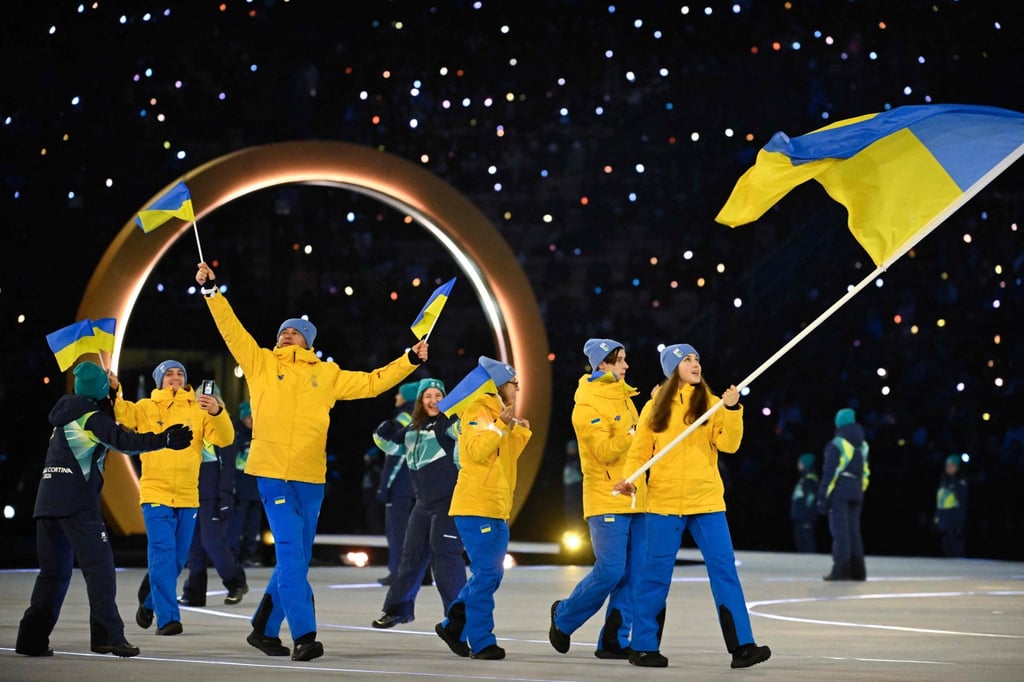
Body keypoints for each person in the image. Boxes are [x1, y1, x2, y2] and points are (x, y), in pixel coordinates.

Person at [196, 261, 428, 662]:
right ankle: (304, 635)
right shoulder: (261, 362)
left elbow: (373, 383)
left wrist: (409, 359)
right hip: (271, 473)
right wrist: (212, 292)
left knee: (297, 560)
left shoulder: (329, 374)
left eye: (294, 331)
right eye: (282, 331)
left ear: (306, 340)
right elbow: (231, 330)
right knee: (289, 554)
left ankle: (263, 629)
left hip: (310, 478)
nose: (286, 334)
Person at [16, 362, 193, 658]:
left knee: (52, 575)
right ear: (99, 391)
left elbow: (113, 429)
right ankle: (107, 638)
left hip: (46, 504)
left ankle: (30, 640)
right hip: (77, 505)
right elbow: (124, 440)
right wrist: (163, 439)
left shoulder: (64, 416)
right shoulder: (91, 417)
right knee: (100, 572)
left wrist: (113, 395)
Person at [613, 343, 771, 669]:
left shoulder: (712, 404)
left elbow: (730, 444)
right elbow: (639, 454)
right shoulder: (655, 408)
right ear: (673, 369)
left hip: (707, 502)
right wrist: (630, 479)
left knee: (724, 570)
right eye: (687, 360)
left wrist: (731, 409)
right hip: (664, 503)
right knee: (655, 576)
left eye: (697, 358)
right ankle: (644, 647)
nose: (695, 364)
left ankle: (743, 646)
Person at [110, 360, 235, 636]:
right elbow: (120, 412)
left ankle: (150, 601)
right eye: (169, 374)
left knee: (178, 559)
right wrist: (115, 389)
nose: (175, 378)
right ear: (159, 381)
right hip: (155, 493)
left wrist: (217, 411)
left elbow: (225, 439)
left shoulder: (199, 408)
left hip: (189, 496)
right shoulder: (145, 408)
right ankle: (167, 619)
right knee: (164, 554)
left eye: (179, 373)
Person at [549, 338, 646, 660]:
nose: (626, 366)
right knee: (611, 570)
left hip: (639, 498)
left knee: (633, 574)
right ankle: (564, 615)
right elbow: (604, 451)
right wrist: (636, 434)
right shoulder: (586, 404)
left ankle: (614, 640)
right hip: (606, 496)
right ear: (602, 364)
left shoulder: (627, 398)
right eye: (620, 360)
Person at [435, 356, 531, 661]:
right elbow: (475, 452)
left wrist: (518, 432)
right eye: (514, 382)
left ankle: (454, 624)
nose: (517, 387)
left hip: (497, 506)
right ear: (500, 385)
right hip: (475, 505)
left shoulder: (498, 416)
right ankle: (482, 641)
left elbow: (505, 460)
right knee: (487, 572)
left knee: (492, 576)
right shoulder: (476, 412)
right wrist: (501, 425)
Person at [371, 378, 465, 628]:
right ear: (420, 401)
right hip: (423, 505)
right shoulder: (413, 428)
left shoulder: (450, 423)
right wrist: (381, 431)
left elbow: (465, 431)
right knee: (410, 557)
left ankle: (458, 619)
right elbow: (392, 447)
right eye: (428, 396)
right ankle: (397, 610)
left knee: (445, 560)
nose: (433, 400)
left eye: (438, 395)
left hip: (449, 503)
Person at [179, 391, 249, 607]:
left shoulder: (224, 430)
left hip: (214, 497)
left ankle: (236, 582)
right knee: (194, 547)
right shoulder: (191, 424)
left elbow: (228, 467)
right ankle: (194, 592)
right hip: (191, 494)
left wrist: (226, 496)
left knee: (213, 544)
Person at [372, 381, 420, 585]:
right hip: (421, 485)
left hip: (401, 485)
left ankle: (398, 572)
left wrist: (385, 486)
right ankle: (421, 573)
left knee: (398, 531)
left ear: (408, 397)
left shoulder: (402, 419)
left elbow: (395, 455)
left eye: (399, 394)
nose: (396, 398)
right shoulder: (425, 418)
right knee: (419, 532)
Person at [817, 407, 870, 581]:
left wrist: (823, 496)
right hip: (856, 490)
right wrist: (860, 488)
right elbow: (866, 471)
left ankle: (841, 570)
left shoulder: (837, 444)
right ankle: (858, 571)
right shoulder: (863, 444)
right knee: (854, 532)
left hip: (840, 490)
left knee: (841, 532)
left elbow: (830, 473)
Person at [227, 401, 264, 568]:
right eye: (248, 417)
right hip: (240, 488)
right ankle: (232, 556)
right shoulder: (235, 435)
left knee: (253, 525)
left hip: (257, 488)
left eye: (254, 417)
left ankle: (248, 554)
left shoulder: (261, 435)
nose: (251, 420)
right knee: (236, 524)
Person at [934, 454, 968, 557]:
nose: (948, 467)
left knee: (957, 550)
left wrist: (960, 525)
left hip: (953, 520)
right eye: (947, 465)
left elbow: (963, 504)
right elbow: (940, 502)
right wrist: (936, 519)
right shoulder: (943, 482)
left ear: (957, 467)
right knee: (946, 550)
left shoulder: (959, 483)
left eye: (952, 465)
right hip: (943, 520)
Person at [790, 453, 819, 553]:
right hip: (800, 517)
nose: (798, 464)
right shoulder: (804, 478)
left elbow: (811, 498)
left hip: (805, 518)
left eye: (800, 462)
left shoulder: (810, 480)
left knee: (807, 543)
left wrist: (807, 514)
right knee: (801, 543)